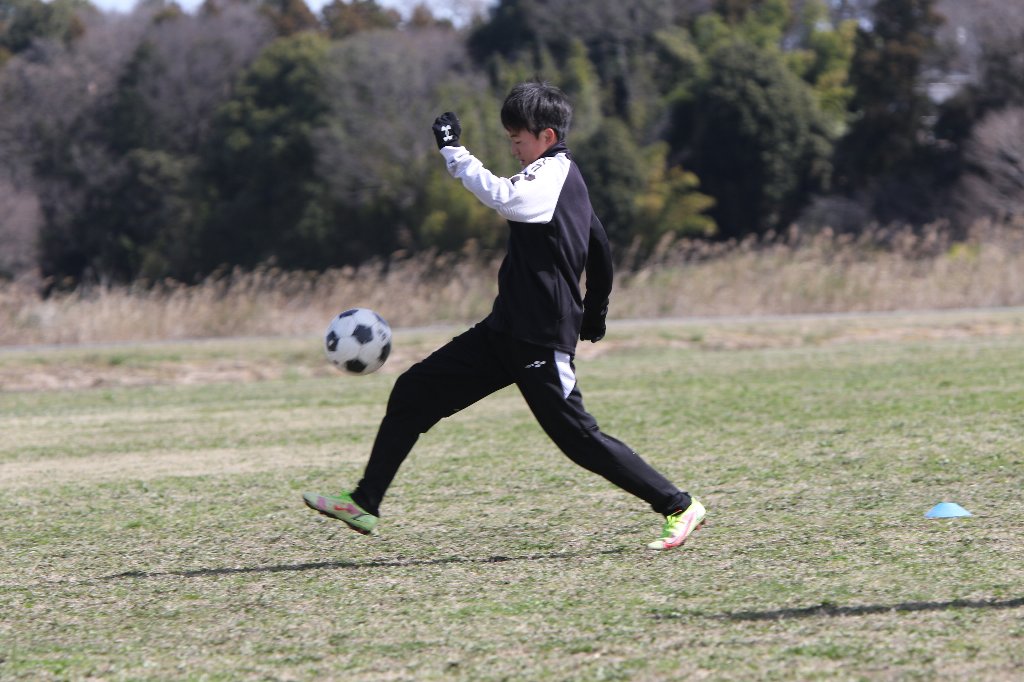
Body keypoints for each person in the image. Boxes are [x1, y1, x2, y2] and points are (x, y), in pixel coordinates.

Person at [303, 81, 705, 550]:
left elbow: (505, 197)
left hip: (540, 338)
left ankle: (678, 505)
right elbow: (598, 244)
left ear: (547, 137)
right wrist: (595, 311)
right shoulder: (562, 180)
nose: (513, 148)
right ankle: (365, 501)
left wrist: (454, 152)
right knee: (413, 391)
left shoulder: (552, 174)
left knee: (577, 437)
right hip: (504, 332)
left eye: (518, 139)